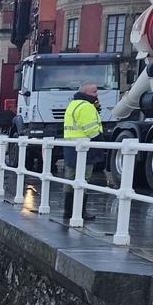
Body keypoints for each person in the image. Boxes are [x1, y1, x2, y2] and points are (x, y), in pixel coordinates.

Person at [61, 82, 105, 223]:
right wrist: (102, 143)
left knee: (70, 178)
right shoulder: (86, 107)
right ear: (86, 93)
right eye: (94, 92)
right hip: (85, 148)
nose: (96, 94)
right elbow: (91, 130)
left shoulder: (73, 104)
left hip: (70, 147)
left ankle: (68, 211)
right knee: (83, 179)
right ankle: (80, 211)